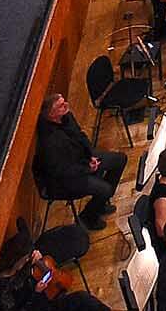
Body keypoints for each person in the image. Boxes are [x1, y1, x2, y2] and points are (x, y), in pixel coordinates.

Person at [32, 91, 128, 230]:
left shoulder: (66, 116)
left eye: (64, 102)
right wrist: (88, 169)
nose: (66, 105)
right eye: (60, 106)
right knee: (105, 189)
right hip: (63, 180)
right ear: (52, 115)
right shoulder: (49, 142)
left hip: (81, 159)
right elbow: (61, 171)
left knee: (120, 160)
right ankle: (89, 217)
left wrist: (90, 156)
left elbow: (80, 136)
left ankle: (99, 204)